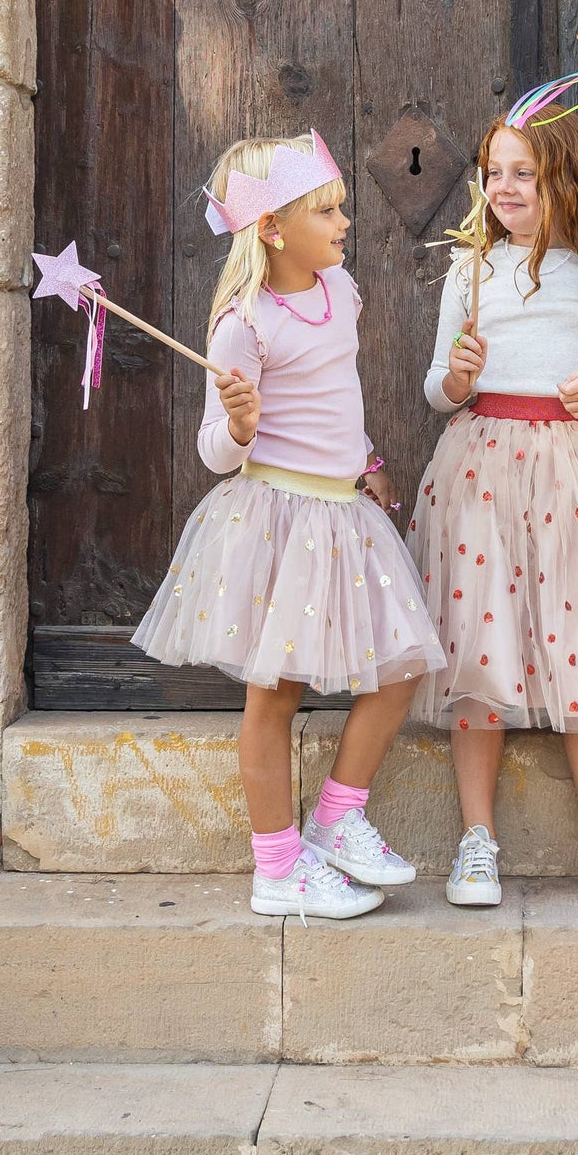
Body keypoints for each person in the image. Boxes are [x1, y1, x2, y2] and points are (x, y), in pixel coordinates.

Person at [132, 130, 442, 919]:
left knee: (401, 668)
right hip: (279, 520)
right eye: (327, 210)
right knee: (276, 695)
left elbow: (338, 395)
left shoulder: (345, 292)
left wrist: (367, 456)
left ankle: (337, 821)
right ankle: (277, 869)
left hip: (345, 513)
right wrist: (239, 426)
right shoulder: (243, 324)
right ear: (272, 227)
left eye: (341, 207)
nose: (345, 222)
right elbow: (215, 453)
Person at [410, 109, 578, 908]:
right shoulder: (471, 270)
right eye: (494, 171)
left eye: (523, 171)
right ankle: (477, 839)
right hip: (483, 464)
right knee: (479, 639)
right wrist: (457, 380)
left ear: (565, 176)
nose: (503, 186)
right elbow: (436, 389)